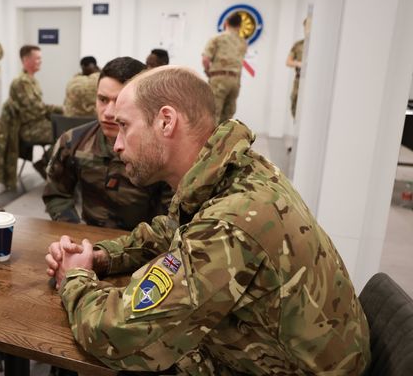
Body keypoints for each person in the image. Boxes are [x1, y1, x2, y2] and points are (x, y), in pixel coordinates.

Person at [44, 66, 370, 374]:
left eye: (125, 126)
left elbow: (116, 336)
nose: (116, 144)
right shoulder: (235, 169)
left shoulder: (231, 224)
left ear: (166, 122)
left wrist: (75, 277)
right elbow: (169, 230)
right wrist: (103, 257)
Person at [45, 57, 172, 230]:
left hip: (142, 246)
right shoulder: (74, 141)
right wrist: (73, 230)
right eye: (103, 100)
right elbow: (57, 194)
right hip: (88, 240)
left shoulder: (161, 149)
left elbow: (171, 217)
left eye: (119, 100)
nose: (109, 113)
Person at [0, 45, 63, 186]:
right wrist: (61, 109)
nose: (40, 61)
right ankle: (44, 163)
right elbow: (35, 109)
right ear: (26, 60)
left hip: (36, 124)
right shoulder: (22, 82)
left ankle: (47, 163)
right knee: (65, 135)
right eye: (37, 58)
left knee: (65, 132)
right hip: (28, 128)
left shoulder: (31, 80)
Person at [202, 12, 248, 123]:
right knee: (228, 116)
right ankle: (224, 140)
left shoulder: (217, 39)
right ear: (240, 26)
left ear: (225, 23)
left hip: (219, 79)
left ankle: (212, 140)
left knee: (214, 113)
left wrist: (208, 71)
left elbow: (205, 59)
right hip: (235, 81)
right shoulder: (243, 42)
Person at [286, 17, 311, 119]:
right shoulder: (298, 45)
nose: (308, 30)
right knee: (295, 103)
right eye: (306, 27)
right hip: (299, 79)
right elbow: (288, 62)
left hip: (312, 81)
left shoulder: (319, 45)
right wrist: (298, 63)